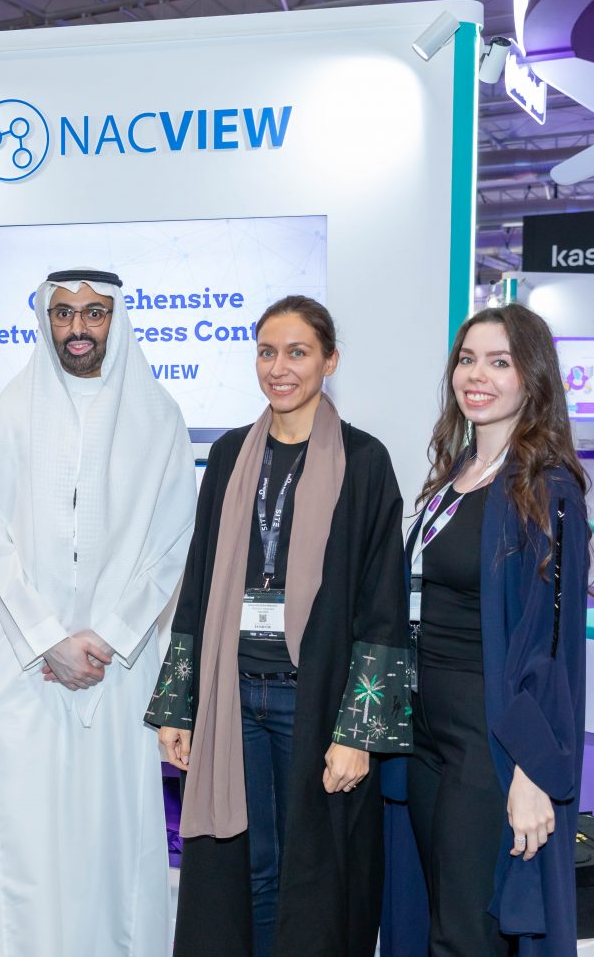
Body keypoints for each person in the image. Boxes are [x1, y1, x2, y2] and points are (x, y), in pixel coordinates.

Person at [148, 296, 410, 957]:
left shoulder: (364, 461)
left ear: (330, 360)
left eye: (297, 352)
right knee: (248, 868)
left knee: (314, 872)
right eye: (267, 352)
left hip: (314, 701)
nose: (279, 367)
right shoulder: (231, 454)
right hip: (233, 697)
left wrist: (358, 733)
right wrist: (178, 705)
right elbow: (199, 581)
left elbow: (383, 606)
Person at [0, 269, 195, 957]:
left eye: (93, 313)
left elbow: (172, 543)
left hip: (117, 670)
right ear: (46, 319)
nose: (78, 327)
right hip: (24, 667)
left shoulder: (158, 417)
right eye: (63, 313)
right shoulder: (14, 409)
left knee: (108, 841)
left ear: (115, 319)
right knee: (22, 840)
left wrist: (106, 637)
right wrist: (49, 639)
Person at [392, 303, 589, 957]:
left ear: (532, 378)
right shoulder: (453, 478)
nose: (476, 375)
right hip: (424, 732)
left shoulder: (546, 490)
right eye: (468, 359)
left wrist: (532, 771)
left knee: (466, 934)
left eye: (499, 362)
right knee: (432, 916)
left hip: (487, 739)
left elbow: (552, 648)